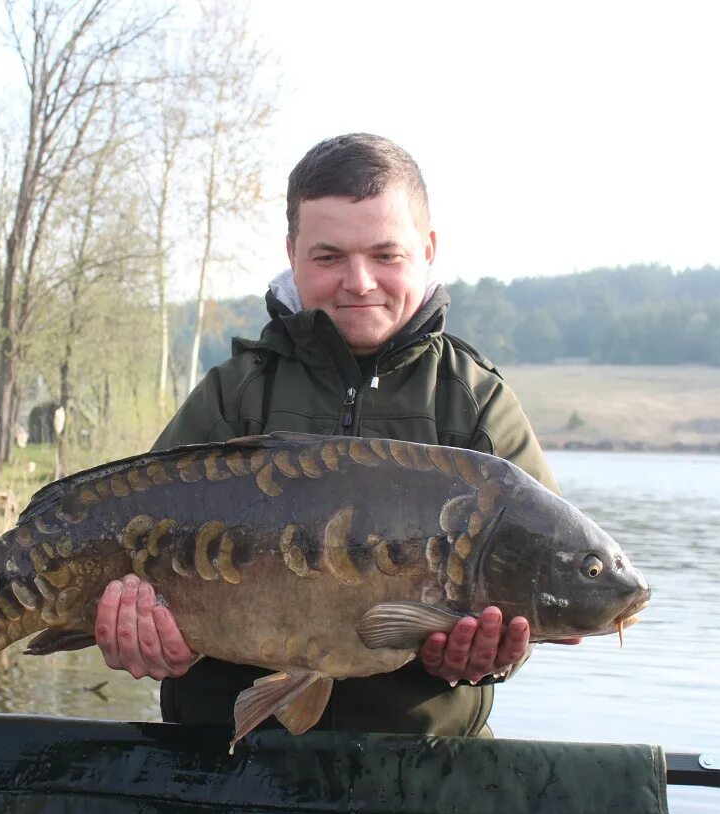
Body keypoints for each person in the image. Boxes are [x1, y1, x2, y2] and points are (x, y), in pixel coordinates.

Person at [94, 133, 579, 737]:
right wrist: (148, 637)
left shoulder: (476, 405)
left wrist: (497, 657)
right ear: (293, 253)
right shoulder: (238, 392)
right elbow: (120, 540)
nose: (359, 282)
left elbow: (529, 588)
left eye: (386, 255)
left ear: (427, 250)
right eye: (328, 258)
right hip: (219, 762)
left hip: (422, 770)